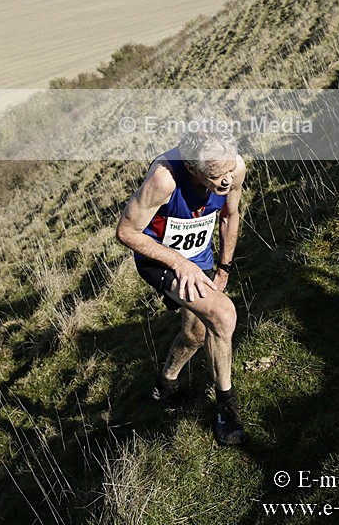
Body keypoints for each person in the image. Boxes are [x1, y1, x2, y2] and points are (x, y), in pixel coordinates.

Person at [116, 124, 247, 446]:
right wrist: (178, 263)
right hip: (160, 259)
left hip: (199, 258)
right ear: (191, 167)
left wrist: (224, 267)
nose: (227, 180)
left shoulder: (234, 166)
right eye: (217, 176)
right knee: (222, 315)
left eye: (229, 170)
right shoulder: (164, 179)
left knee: (196, 333)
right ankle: (226, 408)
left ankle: (166, 383)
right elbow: (126, 233)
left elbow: (231, 216)